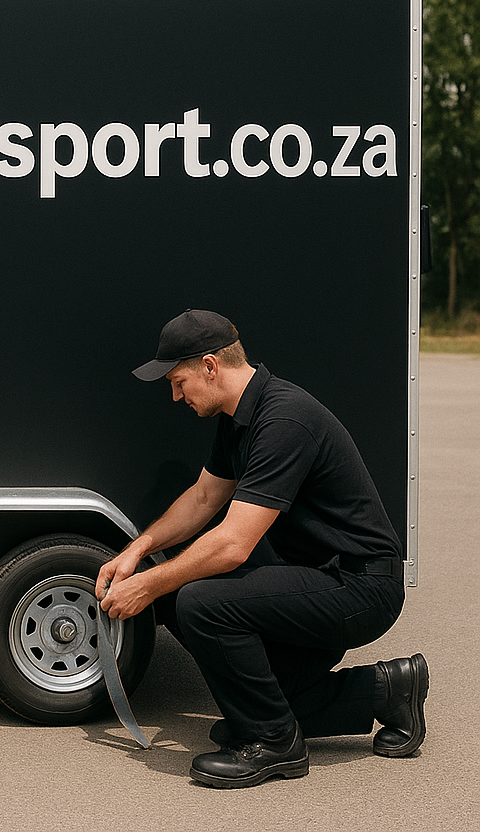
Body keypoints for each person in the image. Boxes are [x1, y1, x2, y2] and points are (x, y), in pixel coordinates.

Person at [97, 309, 428, 789]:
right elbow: (204, 498)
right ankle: (388, 689)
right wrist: (137, 550)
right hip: (318, 579)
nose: (176, 396)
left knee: (198, 601)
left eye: (178, 382)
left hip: (360, 586)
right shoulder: (238, 420)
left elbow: (233, 545)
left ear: (210, 366)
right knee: (186, 604)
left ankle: (274, 743)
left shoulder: (284, 420)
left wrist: (148, 584)